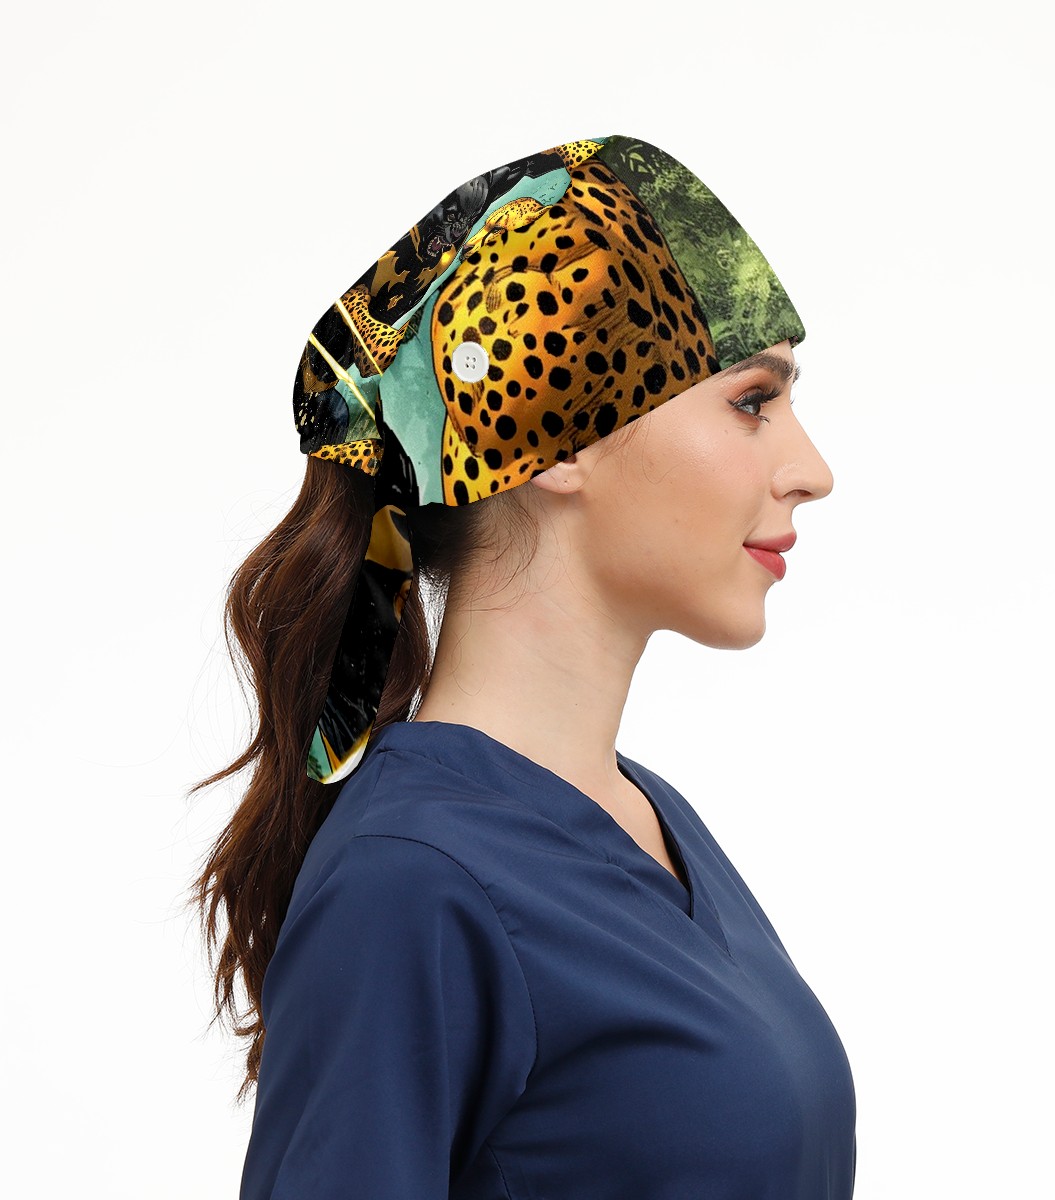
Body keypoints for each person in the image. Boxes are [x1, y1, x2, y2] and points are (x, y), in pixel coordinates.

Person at [189, 133, 857, 1198]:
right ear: (557, 438)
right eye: (751, 401)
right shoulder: (411, 881)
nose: (810, 469)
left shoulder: (648, 820)